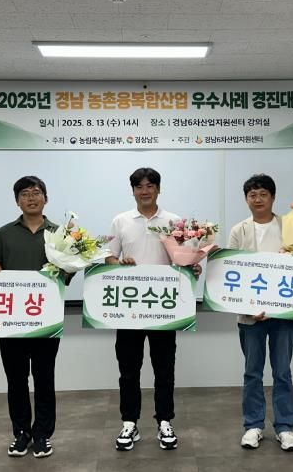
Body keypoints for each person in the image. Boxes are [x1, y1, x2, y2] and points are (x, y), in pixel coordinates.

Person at [105, 167, 200, 452]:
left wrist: (191, 267)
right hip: (129, 309)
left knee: (164, 369)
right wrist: (119, 264)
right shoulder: (121, 221)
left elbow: (184, 259)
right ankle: (129, 423)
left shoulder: (174, 222)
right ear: (133, 190)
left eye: (150, 185)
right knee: (128, 370)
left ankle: (165, 421)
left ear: (158, 189)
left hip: (163, 309)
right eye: (139, 186)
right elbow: (109, 257)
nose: (144, 191)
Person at [0, 175, 70, 459]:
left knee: (45, 378)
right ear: (17, 201)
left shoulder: (60, 234)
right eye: (24, 194)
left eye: (35, 192)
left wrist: (72, 266)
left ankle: (42, 434)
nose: (31, 198)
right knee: (16, 379)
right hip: (11, 320)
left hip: (46, 318)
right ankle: (21, 433)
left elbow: (67, 273)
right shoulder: (4, 233)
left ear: (46, 197)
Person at [228, 174, 293, 452]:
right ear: (246, 199)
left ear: (273, 197)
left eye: (263, 194)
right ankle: (253, 425)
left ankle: (285, 428)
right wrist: (250, 308)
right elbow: (232, 271)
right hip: (250, 318)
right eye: (252, 195)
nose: (257, 199)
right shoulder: (239, 230)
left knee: (282, 373)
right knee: (252, 373)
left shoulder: (289, 227)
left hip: (283, 316)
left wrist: (276, 307)